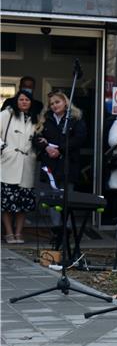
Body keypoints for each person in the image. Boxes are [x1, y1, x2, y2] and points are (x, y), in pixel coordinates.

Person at [1, 91, 38, 243]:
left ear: (31, 102)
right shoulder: (7, 114)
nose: (23, 102)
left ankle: (19, 233)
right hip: (8, 163)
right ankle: (9, 233)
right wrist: (3, 148)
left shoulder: (35, 118)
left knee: (23, 203)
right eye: (21, 99)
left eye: (27, 100)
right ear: (16, 101)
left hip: (27, 164)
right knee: (7, 203)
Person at [34, 90, 87, 189]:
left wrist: (59, 149)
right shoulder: (45, 119)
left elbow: (80, 138)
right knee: (46, 200)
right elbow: (36, 138)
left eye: (57, 102)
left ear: (65, 102)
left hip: (68, 167)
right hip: (48, 167)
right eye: (51, 104)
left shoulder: (75, 118)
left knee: (65, 199)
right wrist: (46, 147)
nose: (54, 105)